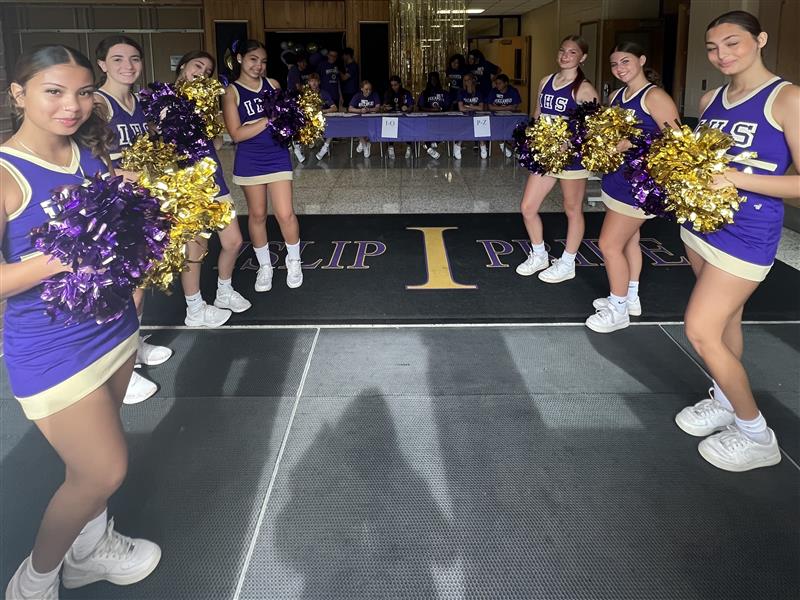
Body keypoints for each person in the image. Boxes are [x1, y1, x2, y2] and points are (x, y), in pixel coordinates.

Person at [2, 44, 161, 600]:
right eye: (54, 91)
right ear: (18, 94)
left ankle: (91, 550)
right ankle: (33, 582)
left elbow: (115, 237)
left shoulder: (85, 154)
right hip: (52, 349)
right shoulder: (5, 173)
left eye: (84, 92)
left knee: (96, 458)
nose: (72, 105)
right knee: (101, 472)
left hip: (113, 330)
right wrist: (68, 251)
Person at [673, 10, 798, 472]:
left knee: (700, 330)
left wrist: (736, 178)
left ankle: (756, 435)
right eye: (712, 47)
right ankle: (725, 400)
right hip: (700, 226)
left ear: (760, 40)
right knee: (726, 325)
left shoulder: (786, 99)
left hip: (747, 233)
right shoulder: (711, 100)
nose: (721, 54)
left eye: (732, 43)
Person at [94, 35, 171, 404]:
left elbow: (148, 152)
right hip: (112, 205)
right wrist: (128, 175)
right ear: (103, 65)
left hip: (140, 202)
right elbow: (89, 160)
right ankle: (119, 371)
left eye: (135, 58)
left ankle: (133, 346)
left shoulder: (139, 102)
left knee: (139, 283)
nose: (128, 65)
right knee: (124, 289)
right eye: (118, 58)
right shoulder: (97, 103)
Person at [584, 42, 680, 333]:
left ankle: (618, 309)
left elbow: (678, 144)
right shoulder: (616, 95)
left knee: (608, 245)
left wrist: (635, 143)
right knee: (629, 241)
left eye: (625, 62)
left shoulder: (655, 96)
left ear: (641, 59)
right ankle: (631, 297)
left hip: (638, 185)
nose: (619, 69)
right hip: (616, 178)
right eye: (614, 65)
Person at [173, 50, 251, 327]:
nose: (202, 73)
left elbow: (216, 142)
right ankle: (194, 309)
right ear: (183, 66)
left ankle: (224, 292)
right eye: (198, 66)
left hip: (213, 179)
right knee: (196, 249)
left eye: (207, 71)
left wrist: (211, 124)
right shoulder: (166, 100)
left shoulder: (204, 103)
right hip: (187, 186)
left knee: (233, 242)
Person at [515, 36, 598, 283]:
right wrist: (532, 138)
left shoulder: (584, 89)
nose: (565, 55)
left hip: (571, 159)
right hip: (545, 154)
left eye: (572, 52)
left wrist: (568, 143)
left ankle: (567, 262)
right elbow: (538, 113)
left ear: (582, 58)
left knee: (572, 209)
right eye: (562, 50)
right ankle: (539, 254)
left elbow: (593, 129)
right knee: (528, 207)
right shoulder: (546, 81)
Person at [223, 40, 303, 292]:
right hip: (250, 160)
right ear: (239, 59)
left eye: (263, 61)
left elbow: (284, 120)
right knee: (257, 215)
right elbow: (236, 134)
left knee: (285, 213)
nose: (258, 65)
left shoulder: (273, 85)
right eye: (253, 59)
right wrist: (268, 120)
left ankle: (294, 261)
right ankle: (265, 266)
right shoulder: (232, 92)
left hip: (277, 155)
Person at [485, 73, 522, 158]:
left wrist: (497, 107)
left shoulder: (513, 91)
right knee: (496, 128)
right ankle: (502, 146)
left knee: (516, 130)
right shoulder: (493, 91)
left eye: (499, 83)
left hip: (510, 117)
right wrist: (507, 107)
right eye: (496, 83)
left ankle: (516, 149)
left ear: (506, 83)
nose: (497, 85)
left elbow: (514, 107)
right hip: (496, 117)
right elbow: (490, 107)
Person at [455, 72, 487, 160]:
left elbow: (481, 108)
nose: (467, 82)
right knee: (465, 125)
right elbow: (461, 108)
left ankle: (482, 145)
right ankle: (458, 145)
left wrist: (469, 106)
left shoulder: (479, 92)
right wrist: (474, 107)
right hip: (465, 116)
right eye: (465, 80)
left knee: (480, 123)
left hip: (477, 115)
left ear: (473, 80)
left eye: (468, 80)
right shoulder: (461, 92)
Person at [417, 71, 448, 159]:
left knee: (446, 128)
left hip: (441, 119)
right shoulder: (425, 93)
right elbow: (421, 107)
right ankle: (428, 147)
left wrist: (440, 109)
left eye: (435, 79)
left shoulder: (443, 93)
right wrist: (432, 110)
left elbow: (448, 105)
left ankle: (432, 144)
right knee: (424, 130)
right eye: (431, 80)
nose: (433, 81)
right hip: (428, 119)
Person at [382, 75, 414, 159]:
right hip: (392, 117)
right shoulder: (388, 93)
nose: (394, 87)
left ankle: (409, 146)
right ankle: (390, 147)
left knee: (408, 127)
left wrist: (407, 109)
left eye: (395, 85)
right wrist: (385, 107)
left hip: (404, 117)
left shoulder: (406, 93)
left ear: (400, 84)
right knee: (389, 126)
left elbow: (412, 106)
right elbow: (384, 106)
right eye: (392, 85)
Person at [309, 72, 339, 161]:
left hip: (323, 121)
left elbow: (334, 108)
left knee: (333, 126)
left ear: (319, 82)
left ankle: (325, 148)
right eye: (311, 81)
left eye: (315, 81)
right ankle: (297, 148)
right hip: (309, 122)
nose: (313, 83)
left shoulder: (324, 93)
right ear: (308, 83)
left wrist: (322, 111)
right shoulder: (306, 94)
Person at [348, 79, 381, 158]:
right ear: (361, 89)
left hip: (372, 119)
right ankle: (365, 145)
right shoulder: (357, 96)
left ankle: (363, 142)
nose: (368, 91)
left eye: (370, 89)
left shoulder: (375, 95)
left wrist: (369, 109)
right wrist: (360, 110)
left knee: (373, 128)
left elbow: (377, 108)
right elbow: (350, 108)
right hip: (360, 120)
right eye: (366, 89)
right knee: (356, 127)